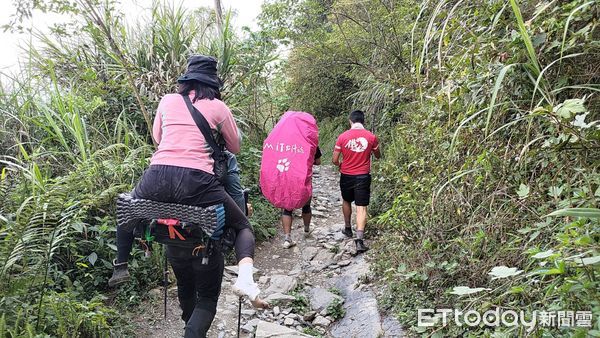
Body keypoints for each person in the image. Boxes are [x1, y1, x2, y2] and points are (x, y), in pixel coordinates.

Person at [110, 55, 266, 337]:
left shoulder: (167, 101)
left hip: (156, 176)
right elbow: (235, 147)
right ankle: (245, 278)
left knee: (127, 207)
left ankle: (121, 263)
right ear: (213, 83)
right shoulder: (218, 107)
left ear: (186, 81)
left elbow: (158, 139)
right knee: (243, 225)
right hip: (197, 183)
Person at [332, 110, 380, 253]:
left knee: (346, 201)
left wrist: (341, 165)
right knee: (361, 207)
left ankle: (348, 229)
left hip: (346, 175)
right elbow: (378, 155)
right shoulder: (371, 137)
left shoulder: (342, 137)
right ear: (363, 121)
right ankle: (359, 239)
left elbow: (334, 159)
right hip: (363, 176)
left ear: (350, 121)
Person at [281, 147, 321, 249]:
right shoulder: (310, 141)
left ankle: (287, 238)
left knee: (287, 208)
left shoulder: (285, 141)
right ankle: (307, 230)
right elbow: (318, 161)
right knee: (306, 205)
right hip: (304, 177)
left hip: (288, 177)